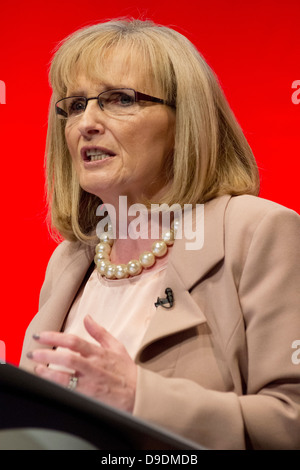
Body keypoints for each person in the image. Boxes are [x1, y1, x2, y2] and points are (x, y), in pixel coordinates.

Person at [19, 18, 300, 450]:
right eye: (74, 105)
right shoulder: (71, 261)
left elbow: (291, 420)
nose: (86, 123)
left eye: (119, 99)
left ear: (183, 121)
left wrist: (138, 396)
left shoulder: (258, 231)